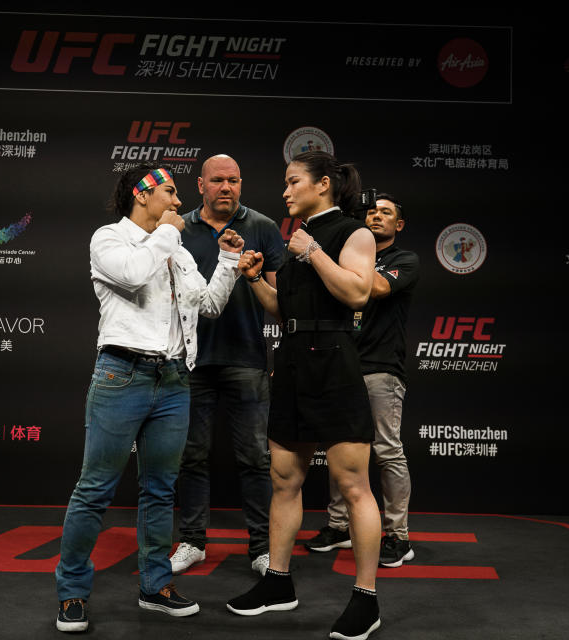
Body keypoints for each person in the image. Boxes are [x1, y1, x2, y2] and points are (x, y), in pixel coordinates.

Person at [54, 164, 244, 633]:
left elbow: (209, 305)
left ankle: (155, 587)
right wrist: (166, 236)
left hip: (175, 381)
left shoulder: (173, 246)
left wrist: (227, 262)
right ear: (142, 195)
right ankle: (71, 593)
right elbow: (136, 276)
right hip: (122, 374)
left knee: (160, 491)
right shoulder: (109, 240)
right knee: (94, 489)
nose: (179, 203)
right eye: (171, 193)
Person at [227, 152, 383, 640]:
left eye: (294, 182)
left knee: (353, 484)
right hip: (292, 359)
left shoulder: (352, 232)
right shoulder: (293, 238)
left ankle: (366, 599)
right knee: (284, 480)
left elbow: (358, 293)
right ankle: (277, 582)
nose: (285, 191)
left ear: (323, 185)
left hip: (334, 361)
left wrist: (312, 251)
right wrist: (253, 276)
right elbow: (282, 307)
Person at [171, 154, 285, 576]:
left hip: (247, 359)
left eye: (233, 180)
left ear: (242, 183)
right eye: (217, 180)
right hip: (191, 360)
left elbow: (279, 303)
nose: (226, 187)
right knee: (192, 456)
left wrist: (252, 276)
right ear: (200, 184)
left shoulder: (263, 227)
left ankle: (261, 547)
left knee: (255, 458)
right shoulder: (178, 229)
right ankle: (192, 541)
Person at [304, 194, 419, 569]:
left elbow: (376, 289)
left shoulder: (404, 260)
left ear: (398, 225)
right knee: (342, 450)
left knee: (386, 450)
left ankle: (398, 536)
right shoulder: (348, 257)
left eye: (387, 212)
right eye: (372, 211)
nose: (377, 216)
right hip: (342, 366)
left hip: (381, 368)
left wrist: (342, 268)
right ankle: (339, 527)